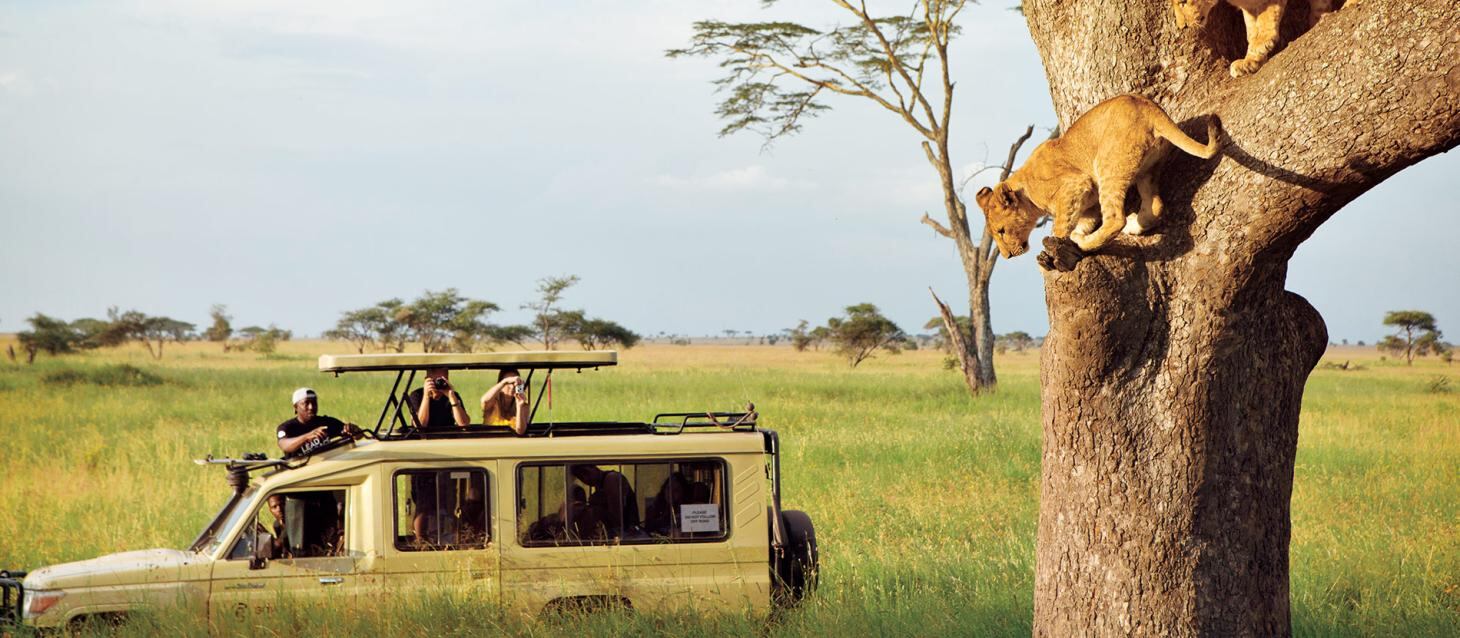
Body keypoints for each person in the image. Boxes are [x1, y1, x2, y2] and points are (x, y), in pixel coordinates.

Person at [276, 388, 360, 458]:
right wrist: (307, 436)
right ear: (295, 407)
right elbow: (284, 445)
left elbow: (358, 436)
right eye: (306, 403)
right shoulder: (287, 427)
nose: (311, 407)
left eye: (314, 403)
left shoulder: (326, 422)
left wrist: (353, 430)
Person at [571, 464, 640, 539]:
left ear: (593, 467)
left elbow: (616, 518)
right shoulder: (600, 485)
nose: (585, 478)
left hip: (627, 534)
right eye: (581, 477)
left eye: (586, 472)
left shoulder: (611, 478)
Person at [405, 367, 470, 430]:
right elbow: (419, 426)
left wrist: (452, 398)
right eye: (436, 380)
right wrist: (426, 396)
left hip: (447, 436)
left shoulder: (452, 396)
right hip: (425, 437)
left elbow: (464, 425)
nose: (439, 383)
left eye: (443, 380)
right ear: (426, 380)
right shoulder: (417, 395)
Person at [479, 368, 531, 435]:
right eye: (508, 383)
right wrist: (504, 382)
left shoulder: (523, 404)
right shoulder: (493, 401)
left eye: (515, 384)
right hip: (490, 438)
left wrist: (519, 406)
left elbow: (520, 431)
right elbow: (484, 401)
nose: (512, 387)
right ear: (500, 386)